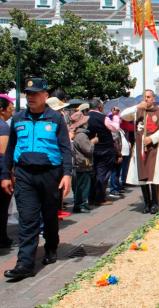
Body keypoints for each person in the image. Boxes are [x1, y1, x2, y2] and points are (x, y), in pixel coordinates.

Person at [2, 78, 72, 280]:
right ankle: (25, 264)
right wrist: (5, 174)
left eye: (35, 93)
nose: (30, 97)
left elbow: (65, 148)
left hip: (50, 174)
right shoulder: (18, 118)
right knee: (28, 220)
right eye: (28, 94)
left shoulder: (55, 119)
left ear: (45, 96)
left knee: (49, 216)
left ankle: (51, 246)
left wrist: (67, 174)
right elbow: (10, 150)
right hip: (24, 175)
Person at [121, 90, 159, 214]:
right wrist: (137, 106)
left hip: (154, 148)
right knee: (142, 177)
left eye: (149, 97)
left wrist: (152, 138)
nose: (146, 99)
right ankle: (147, 203)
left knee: (153, 177)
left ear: (153, 99)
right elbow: (123, 115)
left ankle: (155, 203)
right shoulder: (138, 111)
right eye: (145, 97)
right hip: (139, 149)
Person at [87, 99, 119, 206]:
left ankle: (91, 197)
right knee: (103, 174)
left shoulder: (85, 117)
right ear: (100, 107)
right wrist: (115, 116)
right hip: (105, 150)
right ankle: (100, 198)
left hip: (91, 149)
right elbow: (115, 128)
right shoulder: (103, 118)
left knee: (93, 174)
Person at [70, 111, 97, 213]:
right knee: (83, 186)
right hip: (82, 164)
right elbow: (88, 150)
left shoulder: (79, 134)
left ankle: (80, 204)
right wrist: (93, 142)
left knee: (81, 185)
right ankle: (81, 205)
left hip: (80, 164)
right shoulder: (81, 135)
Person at [0, 94, 14, 248]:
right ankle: (2, 238)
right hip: (1, 174)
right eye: (9, 109)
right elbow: (3, 154)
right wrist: (8, 174)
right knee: (3, 208)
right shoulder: (3, 127)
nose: (11, 112)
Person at [109, 107, 124, 198]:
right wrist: (119, 154)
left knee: (117, 172)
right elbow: (115, 143)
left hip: (117, 152)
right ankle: (113, 189)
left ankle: (116, 188)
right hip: (114, 153)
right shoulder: (113, 129)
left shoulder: (118, 129)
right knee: (114, 172)